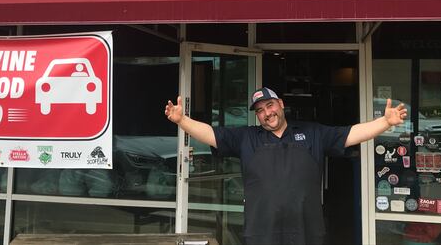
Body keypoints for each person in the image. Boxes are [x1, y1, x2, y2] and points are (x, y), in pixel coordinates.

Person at [165, 87, 407, 245]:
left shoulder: (312, 132)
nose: (266, 113)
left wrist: (385, 122)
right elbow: (211, 134)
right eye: (260, 111)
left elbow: (351, 134)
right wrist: (182, 120)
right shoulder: (246, 137)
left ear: (280, 104)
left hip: (306, 231)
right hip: (262, 232)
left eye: (269, 106)